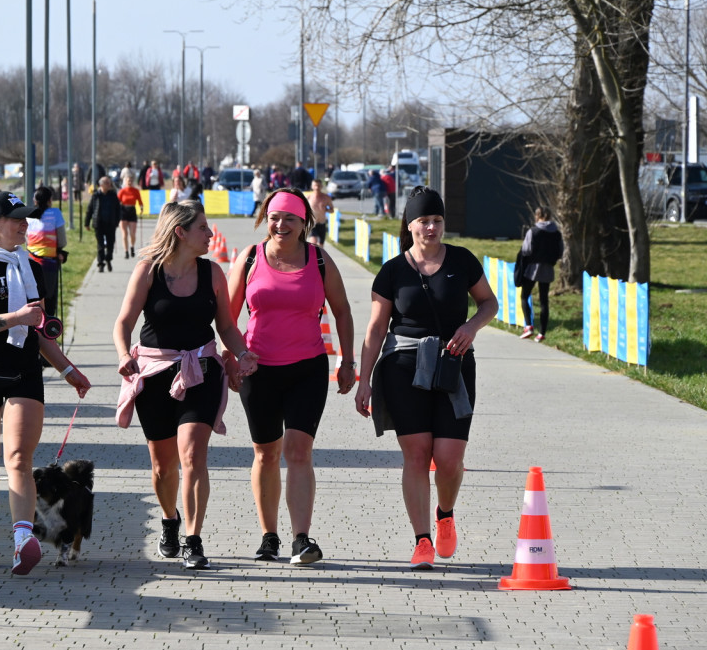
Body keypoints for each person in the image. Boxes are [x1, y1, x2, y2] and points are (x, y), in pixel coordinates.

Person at [353, 186, 498, 570]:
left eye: (436, 220)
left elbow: (490, 302)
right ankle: (422, 540)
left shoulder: (462, 260)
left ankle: (445, 512)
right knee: (416, 456)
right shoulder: (392, 271)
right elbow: (374, 329)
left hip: (454, 365)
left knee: (449, 460)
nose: (430, 228)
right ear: (410, 224)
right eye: (423, 221)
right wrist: (364, 378)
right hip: (404, 369)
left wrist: (471, 327)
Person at [0, 190, 91, 575]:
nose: (25, 225)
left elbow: (41, 330)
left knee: (19, 458)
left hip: (24, 372)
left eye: (26, 219)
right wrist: (15, 318)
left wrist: (68, 370)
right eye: (17, 219)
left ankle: (22, 541)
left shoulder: (31, 266)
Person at [114, 200, 258, 570]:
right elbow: (123, 322)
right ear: (181, 232)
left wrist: (242, 354)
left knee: (193, 455)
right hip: (155, 372)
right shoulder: (148, 271)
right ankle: (170, 519)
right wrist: (121, 355)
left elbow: (226, 326)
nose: (210, 234)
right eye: (203, 228)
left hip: (202, 371)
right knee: (163, 467)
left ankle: (194, 539)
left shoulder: (212, 273)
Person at [226, 187, 356, 566]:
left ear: (303, 223)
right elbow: (227, 316)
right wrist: (233, 357)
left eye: (290, 219)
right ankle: (269, 537)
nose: (281, 225)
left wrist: (346, 362)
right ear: (266, 220)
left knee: (299, 451)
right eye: (274, 218)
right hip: (258, 369)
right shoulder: (250, 258)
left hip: (308, 368)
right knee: (266, 454)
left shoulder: (318, 259)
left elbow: (343, 311)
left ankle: (302, 539)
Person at [518, 206, 564, 343]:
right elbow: (560, 252)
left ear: (537, 216)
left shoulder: (533, 231)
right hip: (548, 269)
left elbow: (526, 250)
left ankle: (529, 326)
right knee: (544, 300)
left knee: (525, 295)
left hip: (532, 268)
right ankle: (542, 333)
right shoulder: (557, 233)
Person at [26, 185, 68, 316]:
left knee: (34, 297)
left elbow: (26, 239)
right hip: (49, 263)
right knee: (49, 300)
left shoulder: (29, 215)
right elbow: (62, 240)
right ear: (50, 200)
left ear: (35, 201)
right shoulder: (55, 213)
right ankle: (49, 331)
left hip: (31, 261)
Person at [85, 176, 122, 273]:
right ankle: (101, 264)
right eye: (107, 183)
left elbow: (118, 209)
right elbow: (90, 209)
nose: (109, 184)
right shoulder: (96, 196)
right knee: (100, 245)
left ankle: (108, 259)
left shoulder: (113, 195)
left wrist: (117, 221)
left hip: (110, 224)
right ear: (101, 184)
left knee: (110, 244)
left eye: (109, 182)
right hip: (99, 224)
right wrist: (87, 223)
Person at [118, 171, 144, 259]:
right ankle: (126, 251)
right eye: (127, 181)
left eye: (131, 181)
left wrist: (141, 208)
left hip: (132, 211)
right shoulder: (122, 191)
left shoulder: (136, 191)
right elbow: (117, 202)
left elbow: (140, 201)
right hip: (123, 211)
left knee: (132, 233)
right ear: (125, 182)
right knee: (124, 233)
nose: (129, 182)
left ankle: (132, 246)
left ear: (133, 182)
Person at [306, 179, 334, 246]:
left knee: (321, 246)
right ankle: (311, 255)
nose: (317, 187)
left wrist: (326, 209)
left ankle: (319, 256)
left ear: (321, 186)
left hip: (322, 223)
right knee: (313, 243)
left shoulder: (326, 197)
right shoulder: (308, 197)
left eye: (318, 185)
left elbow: (332, 210)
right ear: (312, 186)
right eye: (315, 185)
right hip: (312, 224)